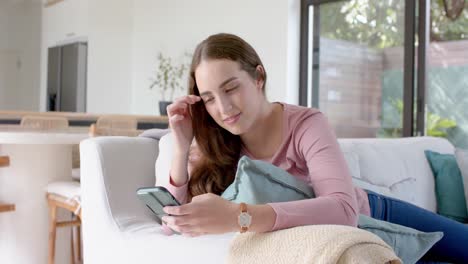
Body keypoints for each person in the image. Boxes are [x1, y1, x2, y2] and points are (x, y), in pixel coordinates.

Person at [160, 33, 468, 262]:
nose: (223, 107)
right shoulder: (213, 143)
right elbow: (171, 225)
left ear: (259, 78)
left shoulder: (306, 123)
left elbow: (344, 209)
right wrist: (181, 146)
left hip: (372, 211)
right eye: (210, 97)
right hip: (346, 239)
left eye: (230, 88)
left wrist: (240, 216)